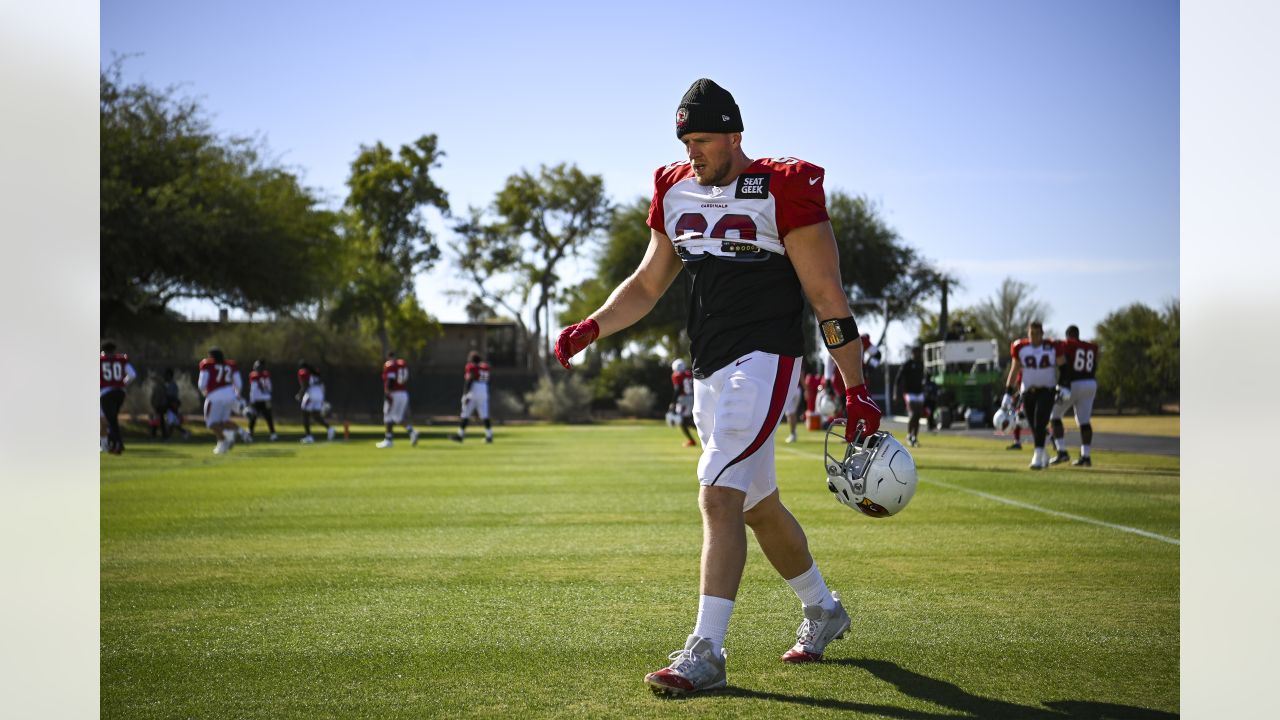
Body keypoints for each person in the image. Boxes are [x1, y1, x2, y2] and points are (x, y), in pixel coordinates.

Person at [553, 78, 882, 696]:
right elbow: (648, 284)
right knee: (756, 505)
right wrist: (594, 325)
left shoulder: (783, 186)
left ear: (735, 133)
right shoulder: (674, 188)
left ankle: (705, 651)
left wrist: (854, 386)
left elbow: (825, 295)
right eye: (685, 139)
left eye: (703, 138)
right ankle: (823, 609)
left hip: (764, 359)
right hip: (708, 367)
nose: (693, 150)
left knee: (715, 495)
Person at [1000, 321, 1063, 469]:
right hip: (1028, 391)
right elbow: (1014, 370)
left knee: (1040, 421)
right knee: (1034, 426)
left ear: (1042, 334)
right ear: (1028, 333)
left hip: (1047, 390)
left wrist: (1063, 385)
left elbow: (1063, 367)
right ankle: (1044, 454)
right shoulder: (1021, 347)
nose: (1033, 336)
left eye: (1036, 333)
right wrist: (1008, 392)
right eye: (1031, 333)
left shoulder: (1052, 346)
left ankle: (1037, 457)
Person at [1049, 325, 1101, 466]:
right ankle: (1086, 456)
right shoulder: (1091, 346)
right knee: (1084, 421)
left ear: (1068, 335)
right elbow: (1094, 365)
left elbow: (1063, 361)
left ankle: (1062, 452)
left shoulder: (1068, 344)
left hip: (1074, 383)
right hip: (1090, 383)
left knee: (1054, 416)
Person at [197, 347, 248, 455]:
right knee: (223, 421)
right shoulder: (230, 365)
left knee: (211, 423)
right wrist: (237, 395)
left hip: (215, 396)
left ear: (212, 356)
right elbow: (238, 382)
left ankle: (226, 439)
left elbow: (202, 384)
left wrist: (204, 392)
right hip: (230, 395)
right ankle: (232, 437)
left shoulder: (207, 364)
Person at [99, 341, 137, 454]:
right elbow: (133, 375)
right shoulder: (121, 359)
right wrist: (122, 383)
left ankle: (117, 443)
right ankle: (114, 442)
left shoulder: (100, 360)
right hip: (120, 392)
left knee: (111, 420)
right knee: (113, 418)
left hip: (106, 393)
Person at [377, 350, 419, 448]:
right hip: (403, 393)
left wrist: (387, 393)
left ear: (388, 357)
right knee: (398, 418)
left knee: (387, 416)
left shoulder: (390, 365)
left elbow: (390, 380)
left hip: (394, 393)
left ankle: (388, 440)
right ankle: (412, 432)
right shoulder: (402, 364)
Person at [451, 351, 493, 443]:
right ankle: (489, 435)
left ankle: (460, 435)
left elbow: (469, 380)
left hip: (475, 390)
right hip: (484, 390)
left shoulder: (472, 367)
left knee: (465, 414)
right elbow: (488, 380)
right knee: (485, 416)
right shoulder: (485, 367)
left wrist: (465, 394)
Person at [894, 345, 927, 447]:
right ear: (912, 353)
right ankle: (909, 435)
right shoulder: (907, 364)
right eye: (916, 353)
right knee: (913, 413)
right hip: (909, 393)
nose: (918, 355)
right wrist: (895, 393)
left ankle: (914, 437)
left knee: (918, 415)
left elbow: (924, 378)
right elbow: (897, 379)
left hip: (919, 393)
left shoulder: (921, 364)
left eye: (919, 353)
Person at [296, 360, 335, 444]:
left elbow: (305, 385)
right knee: (316, 416)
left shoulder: (303, 372)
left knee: (305, 415)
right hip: (319, 396)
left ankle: (309, 436)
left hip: (311, 396)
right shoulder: (315, 373)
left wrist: (300, 395)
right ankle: (329, 429)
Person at [247, 359, 278, 441]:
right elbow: (268, 388)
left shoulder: (256, 375)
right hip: (261, 400)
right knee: (256, 417)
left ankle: (272, 433)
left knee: (266, 417)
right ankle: (250, 433)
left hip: (261, 400)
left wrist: (252, 400)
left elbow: (255, 389)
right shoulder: (261, 375)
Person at [669, 358, 697, 447]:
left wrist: (673, 402)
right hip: (692, 397)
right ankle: (695, 438)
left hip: (683, 399)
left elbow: (678, 389)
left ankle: (696, 438)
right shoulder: (689, 374)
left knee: (683, 421)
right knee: (686, 420)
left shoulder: (677, 375)